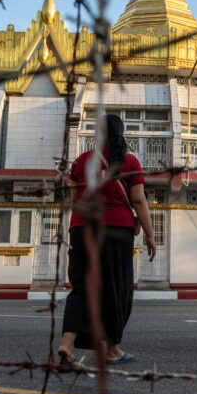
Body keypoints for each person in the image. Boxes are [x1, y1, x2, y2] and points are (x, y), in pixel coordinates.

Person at [56, 114, 157, 368]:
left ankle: (67, 345)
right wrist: (150, 234)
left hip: (81, 229)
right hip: (115, 231)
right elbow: (138, 200)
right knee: (116, 288)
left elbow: (71, 196)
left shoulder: (81, 161)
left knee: (81, 288)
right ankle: (112, 349)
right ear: (121, 133)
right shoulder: (129, 161)